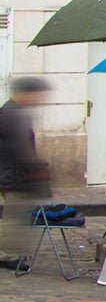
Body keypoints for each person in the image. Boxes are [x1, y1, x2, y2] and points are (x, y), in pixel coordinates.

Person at [0, 76, 51, 271]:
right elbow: (20, 148)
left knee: (15, 215)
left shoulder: (12, 112)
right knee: (14, 217)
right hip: (12, 174)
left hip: (11, 172)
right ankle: (8, 256)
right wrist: (35, 168)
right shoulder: (12, 114)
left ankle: (10, 253)